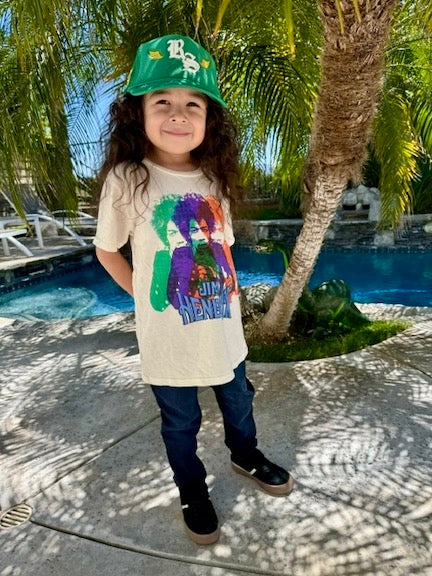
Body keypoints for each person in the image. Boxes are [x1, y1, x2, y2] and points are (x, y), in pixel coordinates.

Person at [94, 34, 294, 545]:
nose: (178, 114)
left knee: (240, 402)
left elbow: (221, 249)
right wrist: (144, 297)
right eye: (162, 101)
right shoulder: (128, 177)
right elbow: (108, 250)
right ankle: (192, 489)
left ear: (210, 120)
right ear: (138, 112)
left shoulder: (214, 178)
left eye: (193, 104)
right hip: (169, 338)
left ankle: (245, 455)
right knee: (179, 424)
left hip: (224, 330)